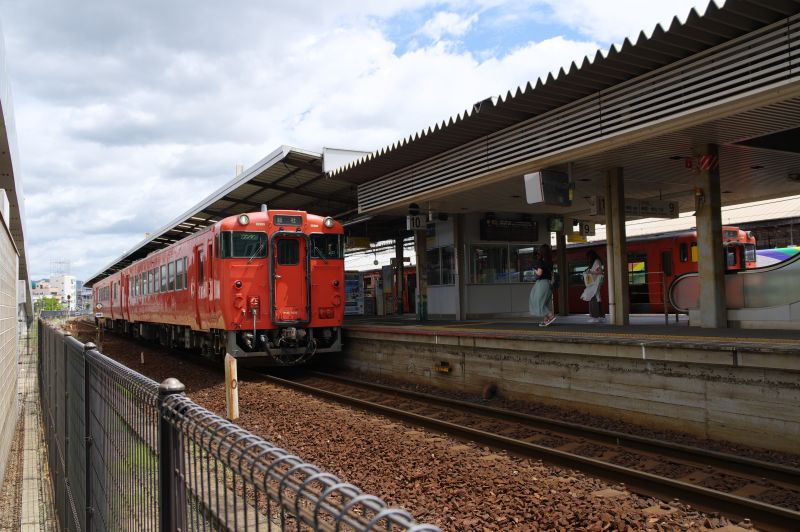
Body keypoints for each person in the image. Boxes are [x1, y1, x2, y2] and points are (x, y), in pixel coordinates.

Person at [528, 244, 556, 326]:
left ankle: (551, 316)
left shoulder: (540, 261)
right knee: (544, 303)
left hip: (542, 283)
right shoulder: (549, 261)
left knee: (537, 301)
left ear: (541, 251)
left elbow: (539, 273)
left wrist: (534, 269)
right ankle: (546, 320)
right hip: (549, 283)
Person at [580, 249, 605, 323]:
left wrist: (590, 271)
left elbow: (600, 271)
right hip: (595, 282)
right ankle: (599, 316)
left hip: (595, 282)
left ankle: (595, 317)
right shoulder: (596, 261)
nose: (588, 259)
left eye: (589, 257)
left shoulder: (596, 261)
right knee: (597, 298)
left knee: (593, 297)